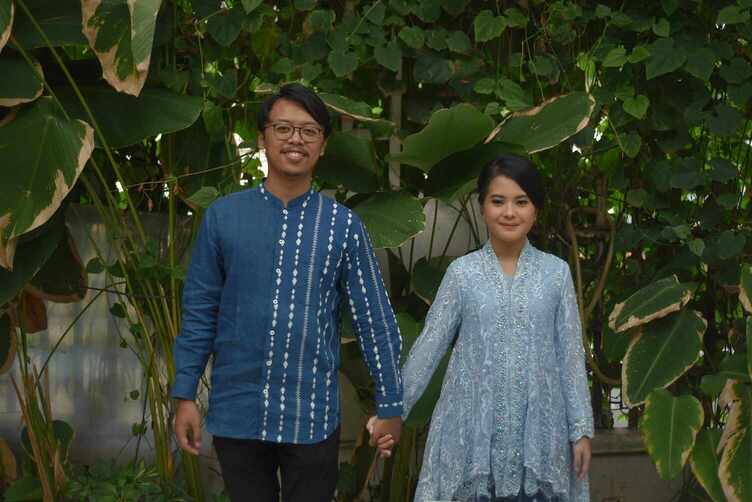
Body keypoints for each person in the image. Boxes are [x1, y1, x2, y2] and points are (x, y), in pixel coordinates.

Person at [172, 83, 403, 502]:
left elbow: (375, 320)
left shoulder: (343, 226)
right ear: (263, 138)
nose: (296, 139)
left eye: (309, 131)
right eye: (283, 128)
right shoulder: (223, 217)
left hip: (310, 415)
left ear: (323, 145)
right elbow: (200, 312)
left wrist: (390, 404)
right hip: (238, 411)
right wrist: (184, 394)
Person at [371, 155, 593, 501]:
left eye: (521, 202)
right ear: (482, 206)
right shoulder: (462, 274)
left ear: (536, 209)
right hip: (471, 438)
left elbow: (570, 357)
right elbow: (429, 347)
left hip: (538, 439)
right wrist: (392, 410)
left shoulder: (556, 274)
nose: (509, 212)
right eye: (498, 201)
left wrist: (581, 430)